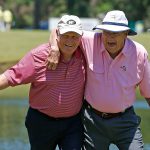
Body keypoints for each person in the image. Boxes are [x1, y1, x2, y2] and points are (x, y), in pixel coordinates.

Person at [47, 10, 150, 150]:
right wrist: (54, 48)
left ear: (126, 34)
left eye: (116, 33)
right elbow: (57, 31)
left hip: (125, 122)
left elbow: (148, 94)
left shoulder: (139, 53)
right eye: (106, 32)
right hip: (92, 122)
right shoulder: (90, 40)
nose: (110, 37)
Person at [0, 15, 86, 150]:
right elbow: (10, 77)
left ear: (81, 37)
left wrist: (55, 47)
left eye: (74, 36)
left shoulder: (85, 53)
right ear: (58, 34)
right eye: (66, 35)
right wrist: (54, 48)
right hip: (41, 122)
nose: (70, 40)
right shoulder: (39, 56)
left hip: (73, 123)